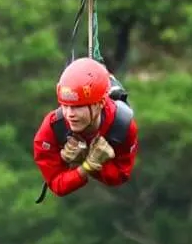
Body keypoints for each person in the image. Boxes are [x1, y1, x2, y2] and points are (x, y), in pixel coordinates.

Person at [33, 57, 138, 198]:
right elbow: (57, 184)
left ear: (100, 103)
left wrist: (96, 164)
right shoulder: (53, 127)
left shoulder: (122, 126)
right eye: (65, 105)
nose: (70, 114)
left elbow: (121, 175)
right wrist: (86, 166)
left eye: (78, 107)